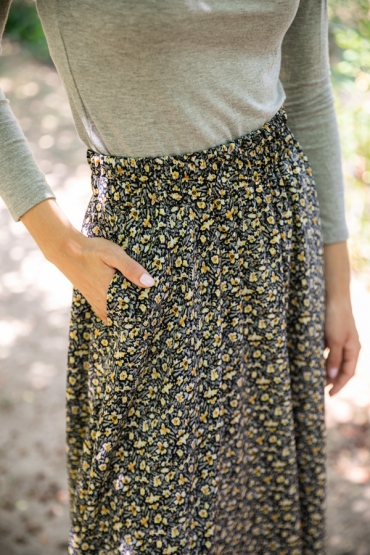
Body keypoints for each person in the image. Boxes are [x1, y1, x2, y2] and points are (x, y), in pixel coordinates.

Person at [0, 1, 362, 554]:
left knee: (262, 494)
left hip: (278, 242)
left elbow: (308, 90)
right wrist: (57, 240)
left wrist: (338, 290)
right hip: (151, 260)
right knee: (146, 524)